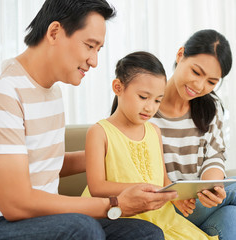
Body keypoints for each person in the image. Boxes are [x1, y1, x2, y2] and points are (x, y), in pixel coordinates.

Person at [0, 1, 177, 239]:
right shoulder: (2, 90)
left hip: (47, 217)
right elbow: (16, 203)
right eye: (90, 46)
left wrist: (114, 151)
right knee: (83, 228)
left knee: (145, 233)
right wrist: (114, 203)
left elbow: (44, 164)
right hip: (1, 223)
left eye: (98, 50)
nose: (94, 61)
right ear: (54, 32)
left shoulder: (52, 92)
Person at [150, 29, 236, 240]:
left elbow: (214, 157)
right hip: (161, 207)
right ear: (180, 54)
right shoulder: (145, 101)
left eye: (211, 81)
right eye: (196, 72)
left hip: (193, 207)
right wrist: (171, 196)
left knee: (232, 216)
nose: (199, 86)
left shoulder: (210, 108)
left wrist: (213, 188)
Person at [82, 51, 218, 240]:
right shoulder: (99, 132)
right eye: (143, 97)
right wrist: (140, 188)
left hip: (160, 215)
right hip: (122, 216)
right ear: (118, 87)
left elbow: (163, 180)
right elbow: (96, 187)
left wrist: (176, 198)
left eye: (157, 100)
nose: (150, 108)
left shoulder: (154, 131)